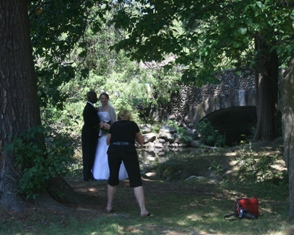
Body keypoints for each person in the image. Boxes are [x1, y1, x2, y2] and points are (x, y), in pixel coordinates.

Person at [105, 110, 152, 216]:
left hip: (114, 150)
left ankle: (109, 206)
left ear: (119, 117)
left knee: (112, 177)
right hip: (128, 150)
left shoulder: (114, 125)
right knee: (135, 178)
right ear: (128, 116)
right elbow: (141, 141)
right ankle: (143, 209)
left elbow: (108, 141)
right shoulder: (132, 125)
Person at [92, 92, 128, 180]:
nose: (103, 100)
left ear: (107, 99)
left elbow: (114, 122)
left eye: (105, 98)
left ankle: (112, 173)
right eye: (102, 98)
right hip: (100, 133)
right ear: (100, 99)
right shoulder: (98, 109)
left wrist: (109, 128)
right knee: (99, 152)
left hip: (108, 132)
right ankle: (98, 173)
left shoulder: (111, 109)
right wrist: (101, 126)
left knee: (107, 151)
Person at [81, 90, 101, 181]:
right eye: (95, 97)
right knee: (88, 154)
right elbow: (95, 121)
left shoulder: (90, 107)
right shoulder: (89, 108)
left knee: (90, 153)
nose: (96, 98)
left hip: (90, 134)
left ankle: (89, 174)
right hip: (89, 134)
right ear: (90, 97)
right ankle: (87, 175)